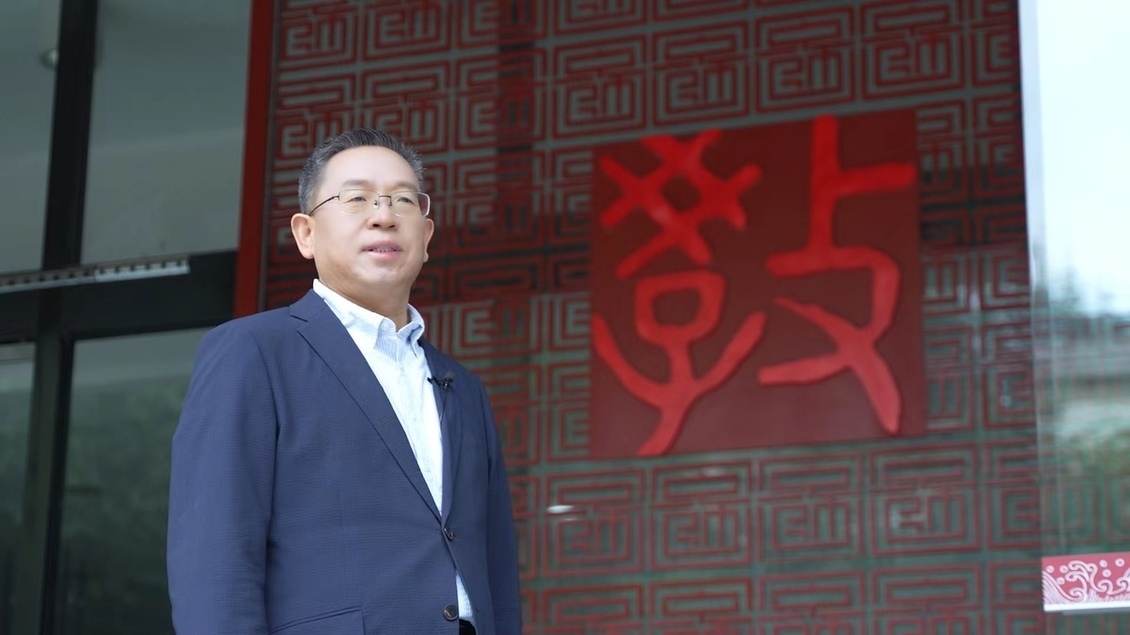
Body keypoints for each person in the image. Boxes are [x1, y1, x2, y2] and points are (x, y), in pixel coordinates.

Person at [166, 129, 521, 634]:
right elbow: (213, 557)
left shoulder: (462, 387)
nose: (384, 215)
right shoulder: (255, 352)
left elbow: (496, 565)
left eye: (403, 200)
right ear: (305, 234)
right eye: (356, 198)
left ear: (426, 237)